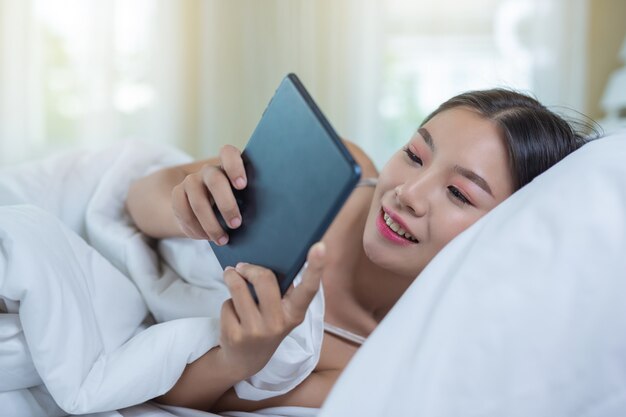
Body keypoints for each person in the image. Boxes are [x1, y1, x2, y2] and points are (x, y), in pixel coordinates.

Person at [125, 88, 594, 412]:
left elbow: (181, 400)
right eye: (414, 155)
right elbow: (136, 196)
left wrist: (239, 360)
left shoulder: (375, 363)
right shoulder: (338, 174)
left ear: (503, 236)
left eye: (459, 193)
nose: (408, 192)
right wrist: (186, 204)